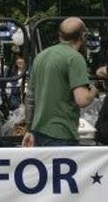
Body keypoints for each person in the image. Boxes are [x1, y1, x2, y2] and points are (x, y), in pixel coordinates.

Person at [22, 17, 98, 147]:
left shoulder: (41, 56)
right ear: (83, 36)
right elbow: (82, 99)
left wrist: (29, 129)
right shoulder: (75, 58)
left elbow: (30, 97)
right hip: (62, 133)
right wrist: (93, 91)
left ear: (59, 35)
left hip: (38, 132)